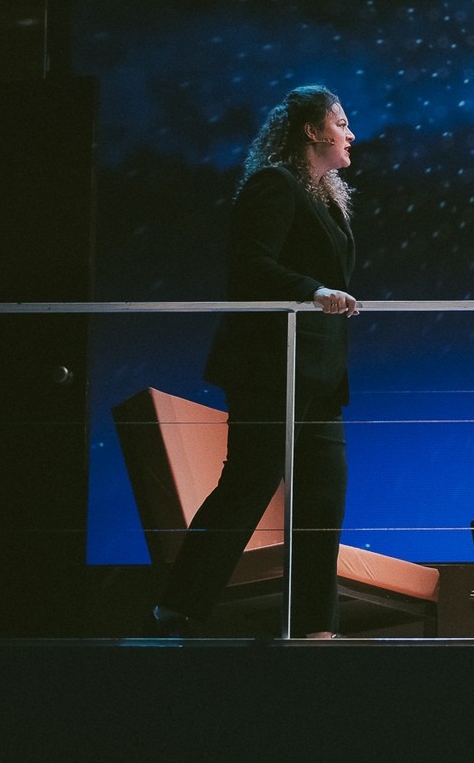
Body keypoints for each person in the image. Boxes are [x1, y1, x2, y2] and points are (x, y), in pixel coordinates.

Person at [150, 85, 359, 639]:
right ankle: (178, 607)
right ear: (311, 131)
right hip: (273, 367)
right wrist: (312, 290)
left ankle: (315, 626)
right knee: (248, 485)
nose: (350, 134)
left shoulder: (326, 196)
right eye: (340, 123)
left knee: (323, 498)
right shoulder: (276, 183)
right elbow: (249, 264)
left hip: (320, 373)